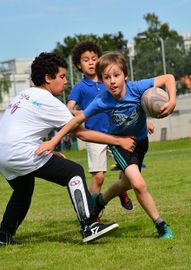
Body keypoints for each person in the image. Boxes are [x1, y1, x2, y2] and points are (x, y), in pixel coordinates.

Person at [0, 52, 136, 246]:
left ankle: (3, 237)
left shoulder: (23, 95)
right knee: (73, 172)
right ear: (48, 78)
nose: (65, 82)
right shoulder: (49, 101)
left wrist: (51, 151)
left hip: (3, 153)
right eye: (62, 77)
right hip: (19, 152)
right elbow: (81, 133)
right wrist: (119, 140)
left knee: (23, 191)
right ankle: (90, 225)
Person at [36, 51, 176, 239]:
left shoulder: (136, 88)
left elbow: (168, 78)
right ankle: (161, 225)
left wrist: (172, 100)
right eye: (106, 78)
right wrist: (53, 141)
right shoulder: (102, 100)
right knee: (138, 184)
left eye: (116, 76)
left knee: (125, 183)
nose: (112, 81)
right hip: (120, 145)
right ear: (101, 80)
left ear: (125, 76)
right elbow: (75, 122)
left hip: (141, 142)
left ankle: (100, 201)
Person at [67, 41, 133, 210]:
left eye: (94, 58)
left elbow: (128, 102)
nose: (91, 62)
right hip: (94, 136)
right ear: (78, 65)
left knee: (128, 172)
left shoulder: (109, 81)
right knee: (98, 177)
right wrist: (83, 114)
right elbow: (68, 109)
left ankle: (120, 190)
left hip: (117, 133)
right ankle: (90, 213)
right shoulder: (79, 87)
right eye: (86, 59)